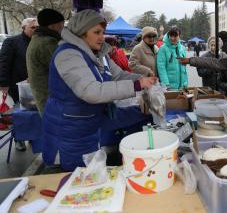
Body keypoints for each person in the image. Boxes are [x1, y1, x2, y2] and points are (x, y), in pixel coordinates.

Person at [42, 9, 157, 171]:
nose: (101, 37)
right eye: (96, 32)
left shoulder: (99, 54)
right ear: (81, 33)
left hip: (89, 125)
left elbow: (118, 75)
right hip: (69, 130)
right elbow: (91, 91)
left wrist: (142, 80)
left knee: (90, 172)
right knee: (75, 175)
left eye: (103, 32)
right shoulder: (68, 54)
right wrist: (137, 85)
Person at [0, 17, 38, 151]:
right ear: (23, 28)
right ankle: (19, 139)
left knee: (32, 112)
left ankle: (32, 137)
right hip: (16, 85)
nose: (35, 30)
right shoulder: (12, 41)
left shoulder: (37, 42)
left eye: (37, 27)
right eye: (32, 27)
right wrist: (3, 83)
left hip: (33, 85)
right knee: (18, 113)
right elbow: (4, 63)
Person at [26, 9, 65, 115]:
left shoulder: (39, 38)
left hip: (47, 99)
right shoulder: (46, 43)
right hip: (51, 100)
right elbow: (64, 69)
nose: (62, 29)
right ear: (52, 26)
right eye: (61, 25)